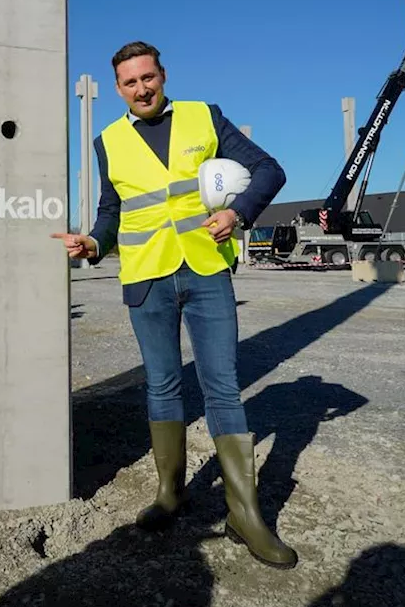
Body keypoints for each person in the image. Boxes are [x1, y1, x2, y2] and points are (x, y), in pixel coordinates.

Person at [52, 41, 296, 569]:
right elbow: (112, 210)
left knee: (222, 387)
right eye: (130, 82)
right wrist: (94, 243)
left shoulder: (203, 117)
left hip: (206, 267)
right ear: (118, 89)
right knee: (162, 385)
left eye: (148, 77)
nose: (141, 89)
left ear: (163, 75)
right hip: (146, 279)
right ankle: (171, 492)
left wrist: (240, 214)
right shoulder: (108, 141)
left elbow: (270, 170)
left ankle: (244, 514)